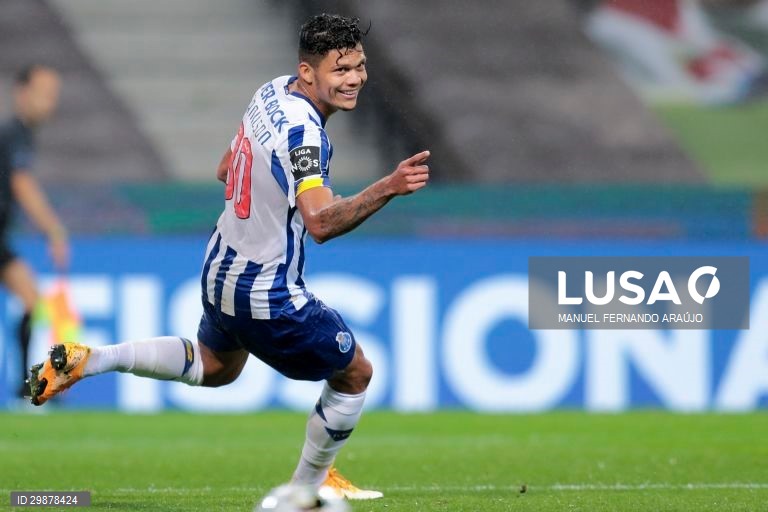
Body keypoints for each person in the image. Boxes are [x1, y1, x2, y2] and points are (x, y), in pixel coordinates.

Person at [28, 14, 430, 501]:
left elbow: (226, 167)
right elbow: (321, 223)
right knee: (355, 372)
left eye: (360, 67)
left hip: (220, 265)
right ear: (308, 73)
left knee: (217, 366)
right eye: (340, 70)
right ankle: (306, 492)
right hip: (265, 289)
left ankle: (91, 361)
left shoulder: (271, 93)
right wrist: (388, 186)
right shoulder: (305, 134)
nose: (354, 79)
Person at [0, 64, 69, 398]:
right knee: (30, 298)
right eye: (43, 94)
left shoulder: (19, 134)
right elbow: (22, 184)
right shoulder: (12, 134)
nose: (49, 103)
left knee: (30, 299)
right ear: (22, 93)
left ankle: (25, 389)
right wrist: (53, 229)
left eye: (53, 96)